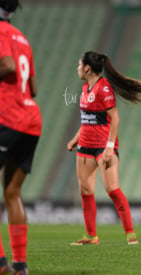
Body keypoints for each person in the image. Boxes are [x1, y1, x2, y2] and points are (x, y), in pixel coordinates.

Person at [67, 51, 141, 245]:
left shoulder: (103, 87)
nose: (78, 69)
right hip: (85, 146)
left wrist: (109, 147)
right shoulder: (85, 87)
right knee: (85, 190)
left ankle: (131, 234)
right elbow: (87, 119)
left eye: (79, 65)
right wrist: (75, 138)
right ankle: (91, 236)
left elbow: (115, 118)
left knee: (112, 189)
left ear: (87, 68)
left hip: (102, 146)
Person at [0, 0, 39, 273]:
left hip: (8, 117)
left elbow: (8, 65)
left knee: (12, 192)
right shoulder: (22, 37)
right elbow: (33, 87)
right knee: (13, 192)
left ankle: (1, 264)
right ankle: (21, 266)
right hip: (31, 120)